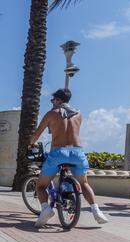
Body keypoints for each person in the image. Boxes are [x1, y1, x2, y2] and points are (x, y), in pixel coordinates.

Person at [29, 88, 108, 227]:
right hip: (77, 153)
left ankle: (46, 209)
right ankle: (96, 210)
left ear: (58, 100)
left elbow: (37, 133)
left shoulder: (52, 113)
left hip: (59, 153)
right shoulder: (78, 114)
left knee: (41, 186)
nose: (52, 102)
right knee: (84, 183)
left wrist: (31, 144)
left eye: (53, 100)